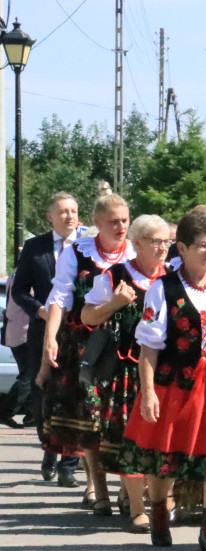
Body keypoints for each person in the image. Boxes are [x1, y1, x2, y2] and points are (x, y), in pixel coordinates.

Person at [121, 210, 206, 551]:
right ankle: (159, 513)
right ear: (182, 249)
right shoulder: (163, 288)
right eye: (202, 246)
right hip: (174, 384)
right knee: (165, 456)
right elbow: (149, 349)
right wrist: (148, 392)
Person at [40, 192, 136, 513]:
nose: (121, 226)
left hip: (125, 346)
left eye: (124, 220)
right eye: (113, 221)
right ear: (97, 224)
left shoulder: (135, 254)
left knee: (122, 419)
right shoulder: (77, 253)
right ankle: (98, 486)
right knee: (91, 418)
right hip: (85, 346)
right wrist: (50, 338)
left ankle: (128, 488)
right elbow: (60, 296)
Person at [81, 215, 171, 533]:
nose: (163, 247)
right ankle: (136, 507)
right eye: (156, 241)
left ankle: (154, 498)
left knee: (164, 441)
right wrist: (117, 302)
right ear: (137, 243)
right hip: (127, 370)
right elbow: (87, 315)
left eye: (167, 241)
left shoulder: (173, 277)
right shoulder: (115, 276)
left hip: (168, 372)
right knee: (129, 440)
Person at [12, 192, 86, 485]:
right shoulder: (35, 247)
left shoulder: (88, 247)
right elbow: (18, 291)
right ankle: (49, 448)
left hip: (79, 331)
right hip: (44, 331)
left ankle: (69, 464)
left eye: (73, 210)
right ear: (50, 216)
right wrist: (41, 311)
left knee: (76, 395)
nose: (69, 216)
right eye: (63, 211)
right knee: (42, 393)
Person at [0, 267, 33, 428]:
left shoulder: (15, 274)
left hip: (15, 331)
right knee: (28, 374)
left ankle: (32, 414)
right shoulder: (28, 276)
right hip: (24, 332)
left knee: (32, 374)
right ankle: (6, 412)